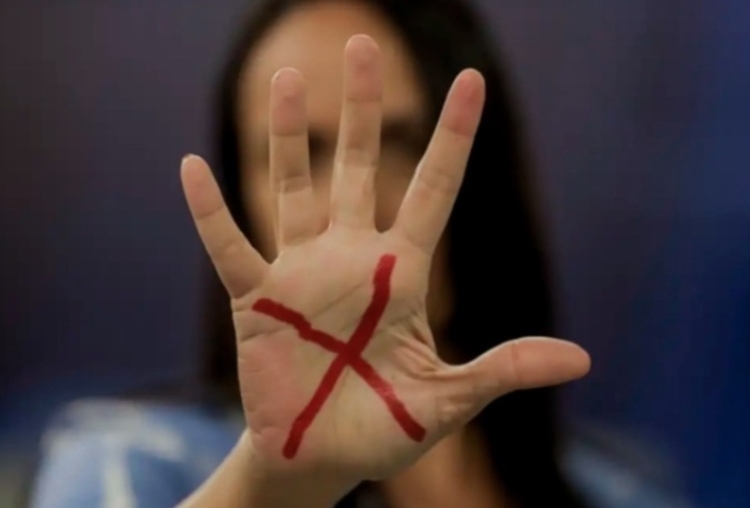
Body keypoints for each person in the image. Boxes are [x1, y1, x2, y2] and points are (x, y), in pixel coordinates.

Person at [29, 0, 695, 507]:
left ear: (482, 177)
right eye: (296, 153)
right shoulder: (132, 461)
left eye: (399, 144)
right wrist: (275, 488)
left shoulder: (625, 489)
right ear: (243, 198)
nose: (351, 205)